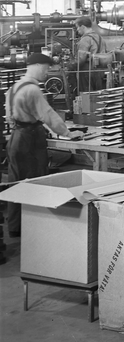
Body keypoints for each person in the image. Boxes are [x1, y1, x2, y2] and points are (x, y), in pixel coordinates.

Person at [4, 53, 80, 237]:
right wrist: (68, 133)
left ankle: (15, 227)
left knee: (16, 183)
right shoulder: (33, 90)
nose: (47, 73)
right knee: (35, 182)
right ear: (37, 65)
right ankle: (34, 229)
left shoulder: (14, 87)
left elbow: (9, 116)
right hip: (29, 141)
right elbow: (48, 115)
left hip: (16, 137)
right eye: (46, 68)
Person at [73, 16, 104, 93]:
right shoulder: (100, 38)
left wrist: (71, 66)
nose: (77, 30)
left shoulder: (85, 39)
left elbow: (81, 59)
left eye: (78, 27)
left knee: (86, 95)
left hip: (86, 72)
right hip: (100, 71)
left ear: (83, 27)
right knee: (98, 95)